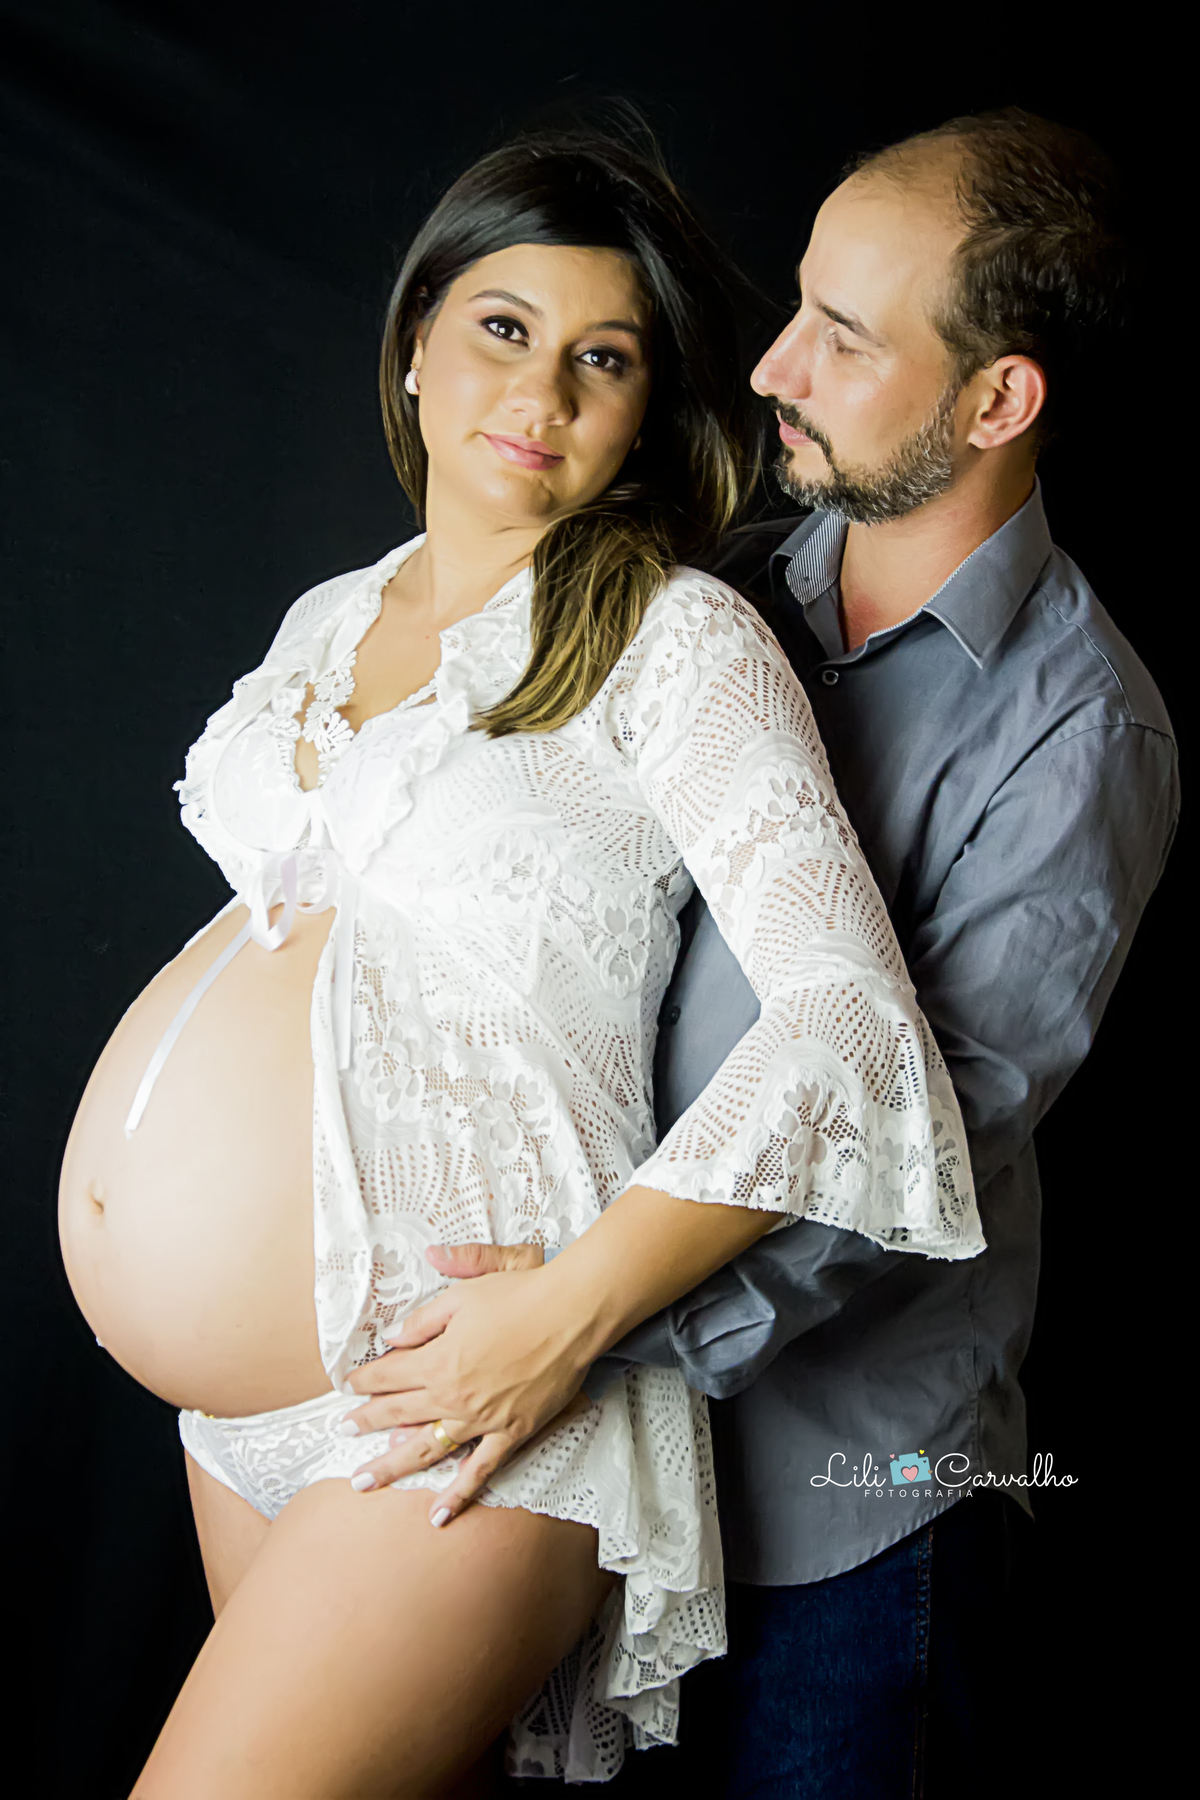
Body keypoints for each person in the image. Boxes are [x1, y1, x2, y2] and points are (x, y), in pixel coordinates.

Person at [57, 128, 979, 1797]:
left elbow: (851, 1025)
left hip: (465, 1398)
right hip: (242, 1422)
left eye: (600, 360)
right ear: (415, 342)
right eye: (500, 329)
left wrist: (560, 1318)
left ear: (643, 411)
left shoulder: (673, 638)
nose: (540, 391)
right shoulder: (336, 616)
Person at [343, 111, 1178, 1795]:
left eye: (846, 340)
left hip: (848, 1497)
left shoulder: (1083, 735)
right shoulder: (715, 585)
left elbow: (933, 1125)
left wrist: (593, 1326)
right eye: (797, 306)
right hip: (588, 1438)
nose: (774, 365)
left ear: (997, 401)